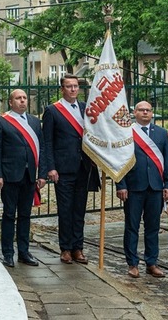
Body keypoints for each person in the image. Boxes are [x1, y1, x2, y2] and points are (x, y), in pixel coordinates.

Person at [40, 74, 99, 265]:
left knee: (79, 210)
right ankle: (65, 248)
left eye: (75, 86)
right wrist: (51, 167)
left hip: (83, 166)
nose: (73, 89)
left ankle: (78, 248)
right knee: (65, 210)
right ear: (62, 89)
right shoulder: (52, 110)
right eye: (69, 86)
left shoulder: (85, 108)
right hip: (63, 168)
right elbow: (47, 142)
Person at [115, 101, 168, 279]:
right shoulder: (126, 132)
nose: (145, 113)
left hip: (155, 187)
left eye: (148, 110)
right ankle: (132, 263)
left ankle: (152, 262)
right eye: (141, 110)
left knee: (153, 227)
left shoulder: (162, 133)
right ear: (135, 112)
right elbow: (120, 160)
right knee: (132, 227)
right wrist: (121, 185)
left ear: (152, 113)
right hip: (133, 187)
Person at [0, 89, 45, 267]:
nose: (22, 101)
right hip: (9, 176)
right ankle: (7, 253)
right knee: (8, 214)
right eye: (18, 98)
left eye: (24, 98)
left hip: (29, 176)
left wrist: (42, 174)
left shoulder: (35, 122)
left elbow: (42, 149)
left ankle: (24, 252)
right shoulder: (1, 121)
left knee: (25, 215)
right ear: (10, 102)